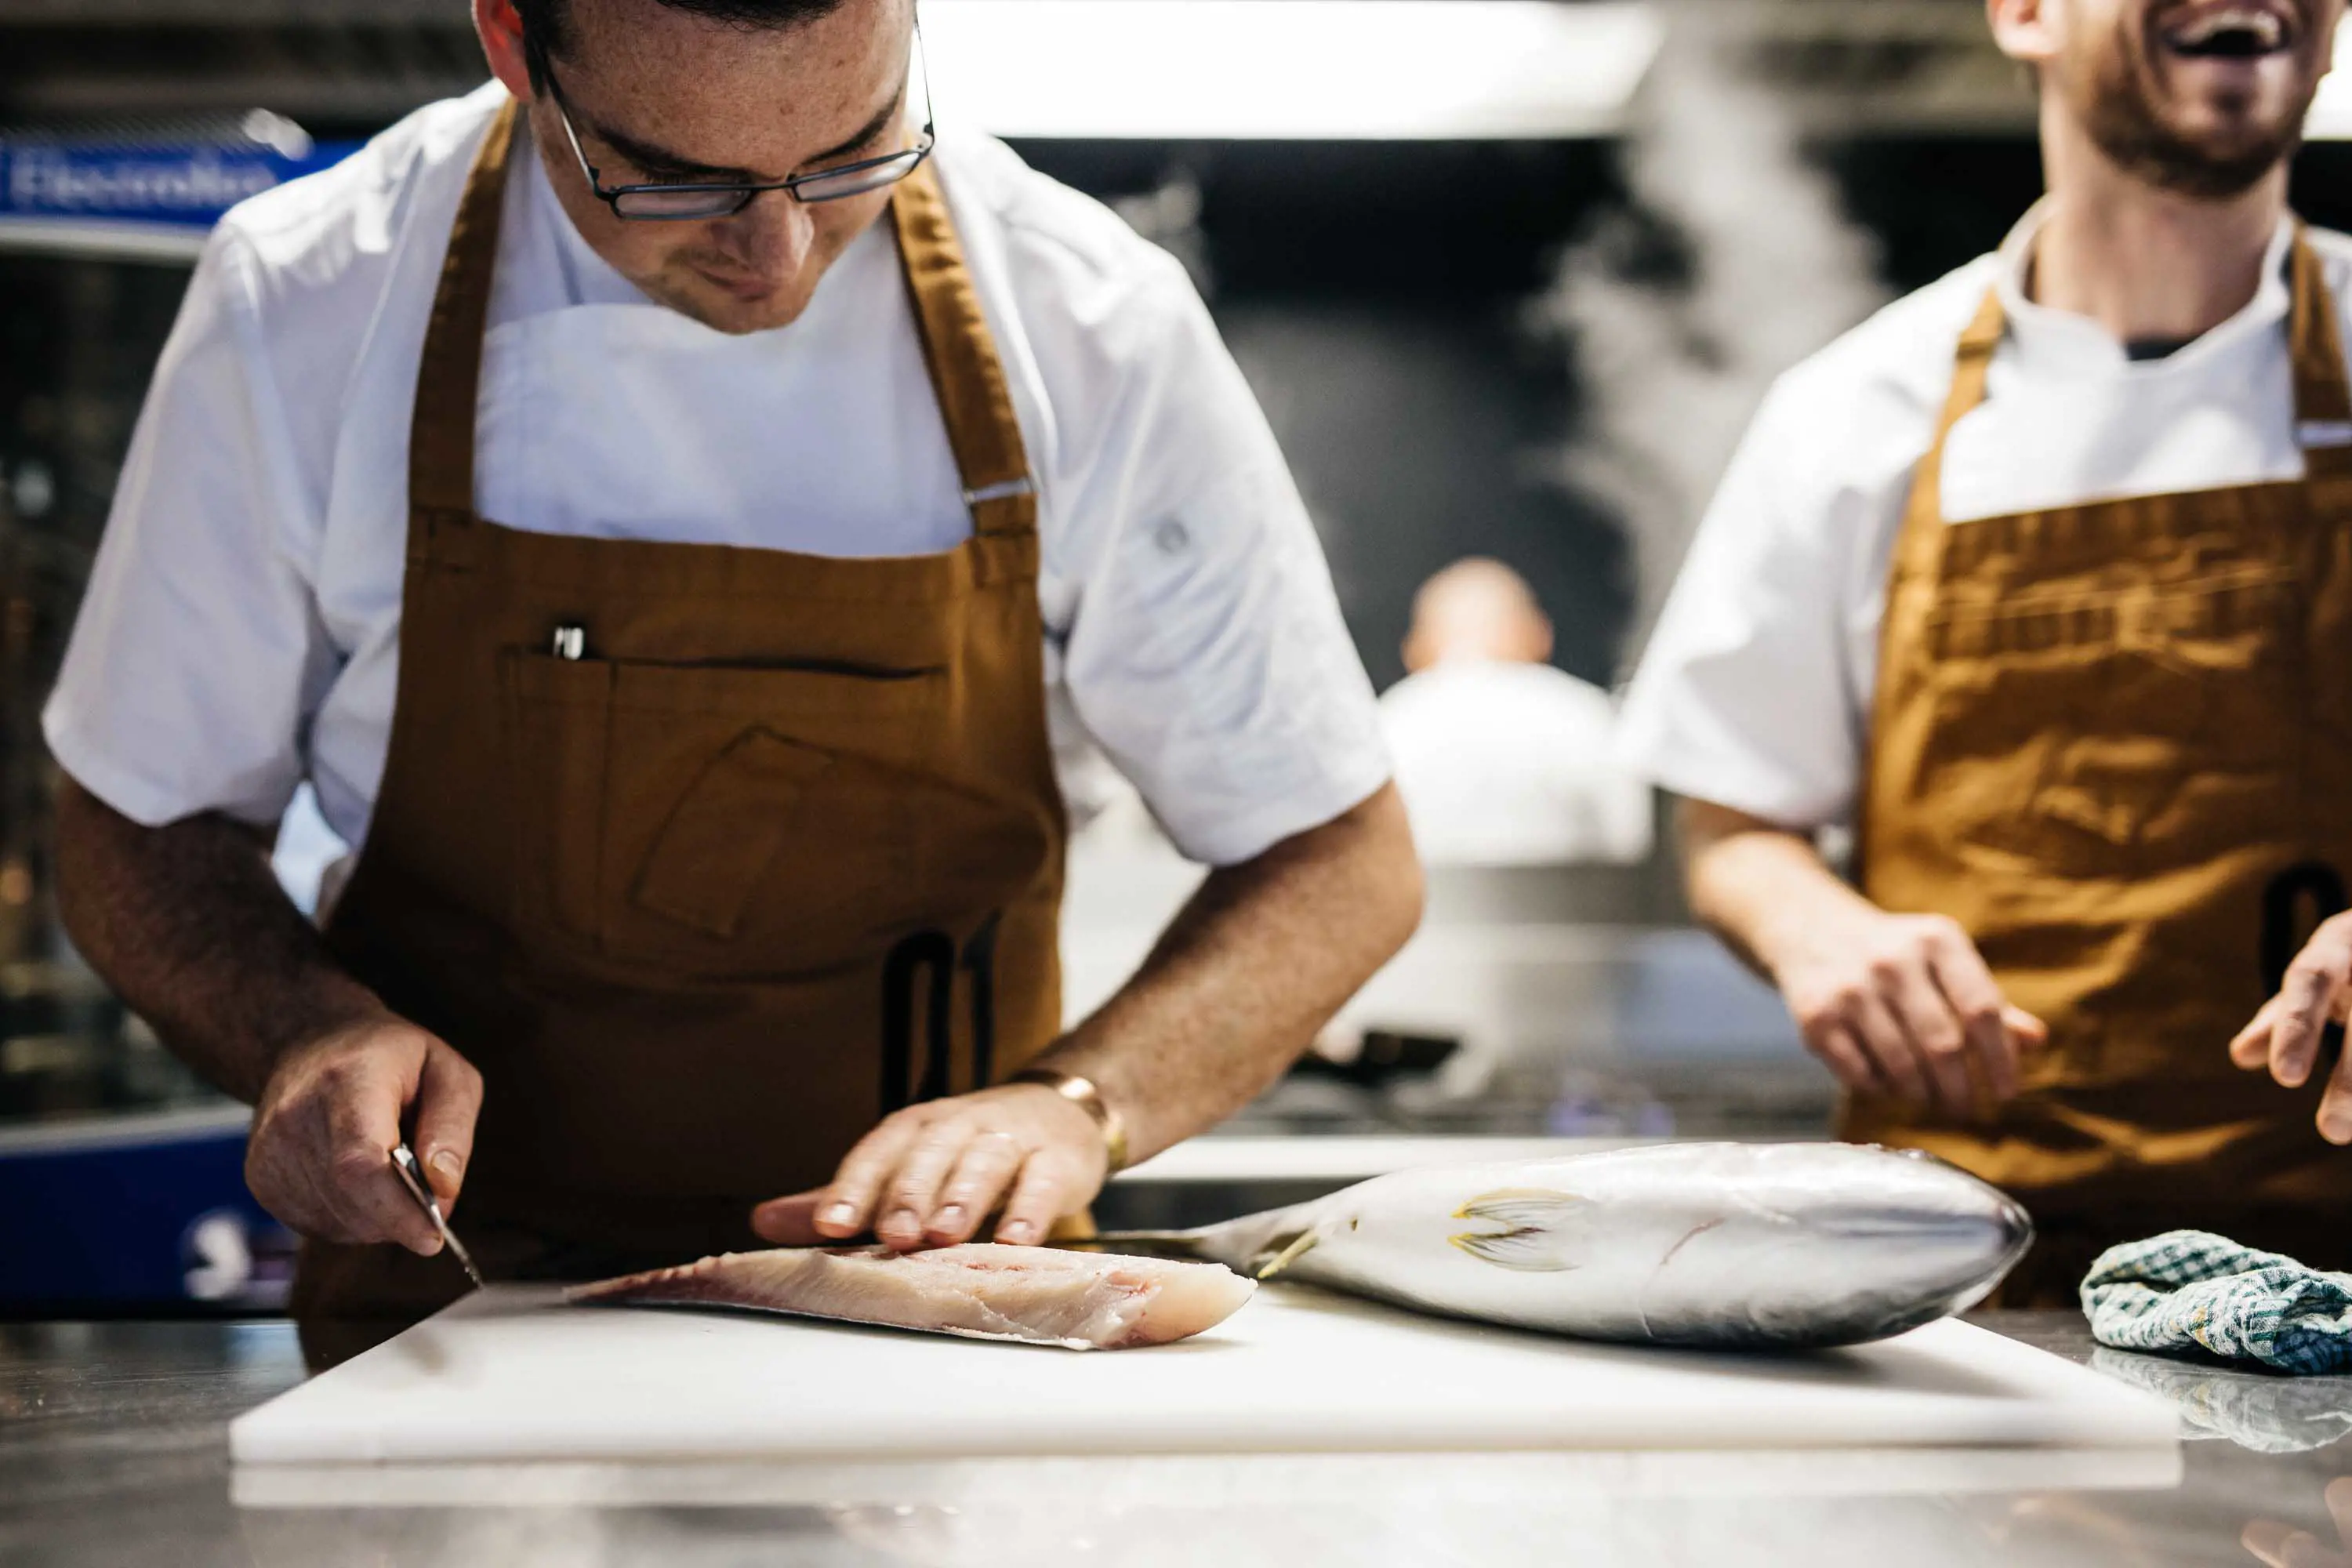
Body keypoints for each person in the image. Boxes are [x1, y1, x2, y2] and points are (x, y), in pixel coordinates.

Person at [45, 0, 1421, 1343]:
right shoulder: (312, 296)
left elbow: (1338, 856)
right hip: (461, 1323)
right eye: (672, 180)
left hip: (940, 1314)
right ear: (514, 45)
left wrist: (1082, 1103)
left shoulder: (1088, 322)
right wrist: (303, 1034)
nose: (779, 253)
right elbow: (134, 822)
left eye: (854, 152)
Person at [1618, 0, 2352, 1302]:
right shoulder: (1858, 414)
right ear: (2024, 13)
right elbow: (1735, 823)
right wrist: (1818, 934)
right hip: (1964, 1279)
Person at [1380, 559, 1651, 868]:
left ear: (1414, 647)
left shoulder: (1386, 726)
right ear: (1540, 634)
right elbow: (1631, 840)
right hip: (1573, 911)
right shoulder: (1585, 717)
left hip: (1425, 915)